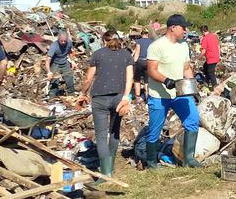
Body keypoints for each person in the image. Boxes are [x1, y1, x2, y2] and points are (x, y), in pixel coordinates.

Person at [143, 14, 201, 168]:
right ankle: (151, 163)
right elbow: (151, 70)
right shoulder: (157, 46)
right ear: (173, 28)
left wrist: (194, 88)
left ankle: (189, 159)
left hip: (180, 93)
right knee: (155, 129)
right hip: (159, 95)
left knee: (193, 119)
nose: (185, 30)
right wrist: (166, 80)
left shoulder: (183, 46)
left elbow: (187, 68)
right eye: (183, 27)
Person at [76, 31, 133, 179]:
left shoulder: (98, 54)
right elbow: (130, 79)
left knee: (101, 136)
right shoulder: (127, 55)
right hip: (119, 98)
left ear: (103, 40)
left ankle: (106, 172)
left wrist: (82, 93)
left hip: (99, 98)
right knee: (114, 131)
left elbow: (88, 78)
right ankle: (111, 166)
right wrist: (126, 97)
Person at [46, 31, 78, 97]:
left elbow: (70, 51)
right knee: (54, 81)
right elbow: (48, 60)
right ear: (58, 39)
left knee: (69, 79)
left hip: (64, 62)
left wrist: (72, 61)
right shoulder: (54, 46)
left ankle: (71, 96)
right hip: (55, 64)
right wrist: (49, 72)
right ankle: (52, 96)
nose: (63, 42)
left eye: (64, 41)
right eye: (61, 41)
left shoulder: (69, 42)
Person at [132, 29, 153, 100]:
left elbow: (137, 53)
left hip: (140, 61)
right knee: (147, 81)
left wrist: (133, 62)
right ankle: (147, 96)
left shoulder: (139, 41)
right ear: (147, 33)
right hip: (148, 61)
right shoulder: (151, 41)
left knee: (137, 79)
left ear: (141, 34)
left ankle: (137, 97)